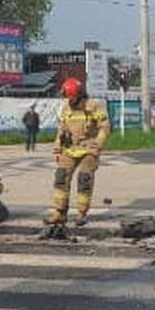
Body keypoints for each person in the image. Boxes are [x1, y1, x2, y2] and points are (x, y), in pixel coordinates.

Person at [45, 78, 110, 227]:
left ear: (79, 95)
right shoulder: (66, 108)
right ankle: (60, 213)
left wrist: (97, 145)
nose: (69, 100)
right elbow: (61, 130)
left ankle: (81, 214)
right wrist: (58, 147)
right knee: (61, 178)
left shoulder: (93, 106)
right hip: (69, 149)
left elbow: (105, 128)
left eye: (71, 97)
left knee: (84, 180)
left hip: (88, 149)